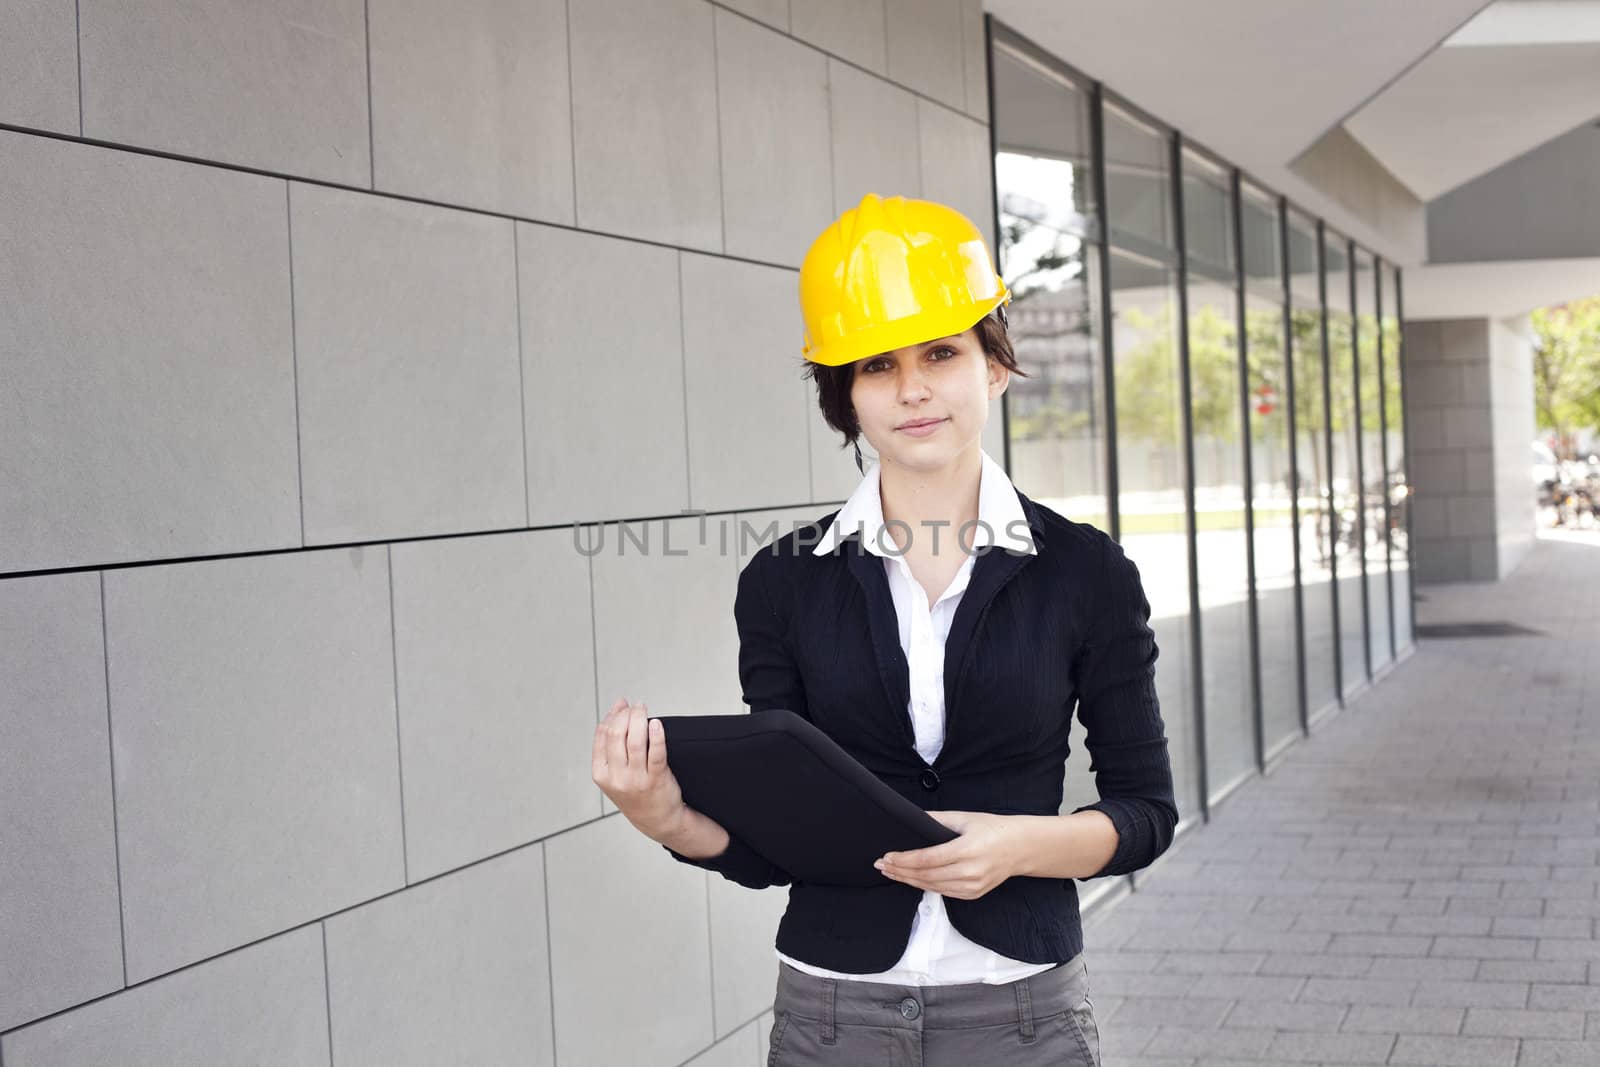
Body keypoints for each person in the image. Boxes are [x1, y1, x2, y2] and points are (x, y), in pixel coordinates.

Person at [591, 193, 1178, 1066]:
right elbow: (773, 846)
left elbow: (1146, 810)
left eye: (940, 352)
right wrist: (663, 814)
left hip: (1021, 1015)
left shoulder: (1086, 572)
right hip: (834, 1017)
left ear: (995, 366)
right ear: (846, 396)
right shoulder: (784, 581)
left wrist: (1019, 846)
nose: (911, 388)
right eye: (875, 365)